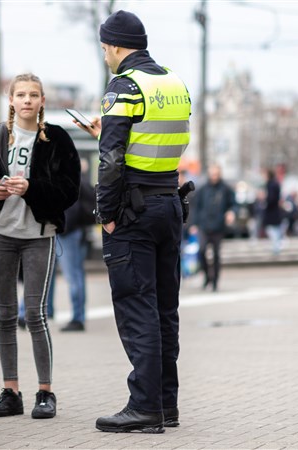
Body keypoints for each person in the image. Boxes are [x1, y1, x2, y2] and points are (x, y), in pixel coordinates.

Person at [75, 10, 190, 433]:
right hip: (168, 202)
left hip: (133, 211)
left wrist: (106, 215)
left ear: (116, 46)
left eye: (105, 48)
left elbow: (110, 161)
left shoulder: (123, 86)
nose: (105, 55)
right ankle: (165, 403)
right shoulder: (174, 82)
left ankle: (143, 407)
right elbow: (154, 142)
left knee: (136, 308)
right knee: (164, 309)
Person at [0, 73, 81, 421]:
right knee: (4, 315)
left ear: (42, 100)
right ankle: (10, 391)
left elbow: (70, 191)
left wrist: (31, 187)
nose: (28, 101)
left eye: (34, 95)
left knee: (35, 314)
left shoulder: (57, 139)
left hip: (39, 235)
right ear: (11, 100)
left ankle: (45, 392)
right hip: (1, 234)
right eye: (21, 95)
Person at [59, 161, 96, 332]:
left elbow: (72, 210)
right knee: (75, 275)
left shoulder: (71, 181)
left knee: (73, 276)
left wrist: (64, 227)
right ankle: (75, 316)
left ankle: (78, 318)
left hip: (67, 233)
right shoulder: (80, 180)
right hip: (72, 233)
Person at [190, 164, 235, 292]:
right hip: (204, 225)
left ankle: (215, 280)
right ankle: (207, 276)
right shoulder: (203, 189)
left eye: (216, 174)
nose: (214, 177)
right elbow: (196, 207)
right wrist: (194, 224)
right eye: (212, 174)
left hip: (218, 226)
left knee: (216, 255)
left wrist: (231, 212)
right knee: (202, 251)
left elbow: (232, 204)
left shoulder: (225, 188)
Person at [264, 169, 283, 254]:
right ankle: (277, 246)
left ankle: (276, 248)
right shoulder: (276, 184)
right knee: (276, 229)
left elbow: (271, 199)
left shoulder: (270, 185)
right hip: (275, 211)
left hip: (271, 211)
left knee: (272, 229)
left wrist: (265, 201)